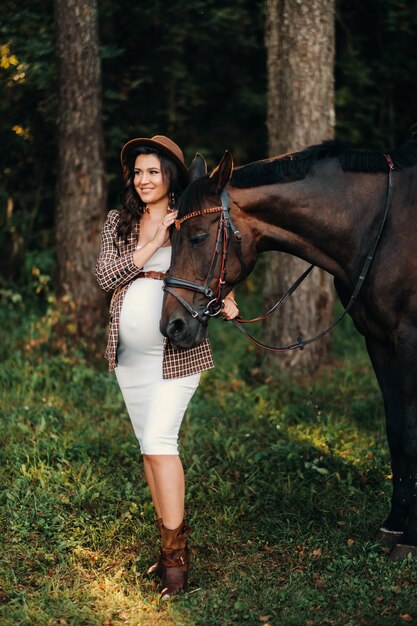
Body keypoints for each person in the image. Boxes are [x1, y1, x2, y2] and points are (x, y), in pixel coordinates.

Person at [95, 135, 239, 597]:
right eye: (137, 172)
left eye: (153, 171)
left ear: (170, 174)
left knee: (160, 441)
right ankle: (166, 547)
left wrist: (227, 296)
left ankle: (177, 559)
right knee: (148, 449)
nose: (143, 180)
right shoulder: (120, 222)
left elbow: (212, 263)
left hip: (177, 353)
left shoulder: (190, 215)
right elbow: (104, 277)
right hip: (129, 357)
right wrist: (149, 243)